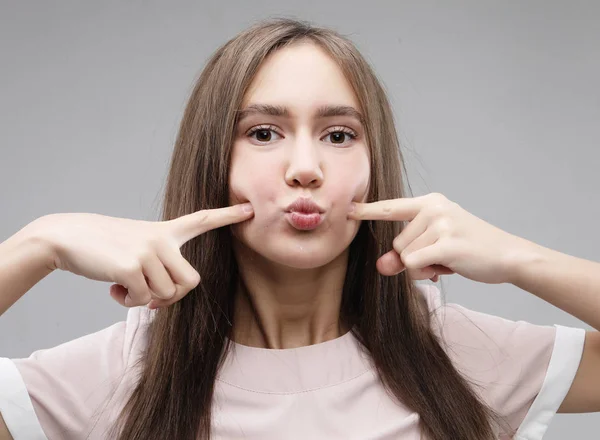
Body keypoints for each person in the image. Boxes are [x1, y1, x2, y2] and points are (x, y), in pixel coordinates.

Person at [0, 17, 597, 440]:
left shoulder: (462, 358)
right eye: (263, 133)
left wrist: (520, 258)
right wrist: (38, 244)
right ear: (213, 160)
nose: (306, 168)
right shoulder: (119, 374)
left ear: (372, 168)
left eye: (339, 135)